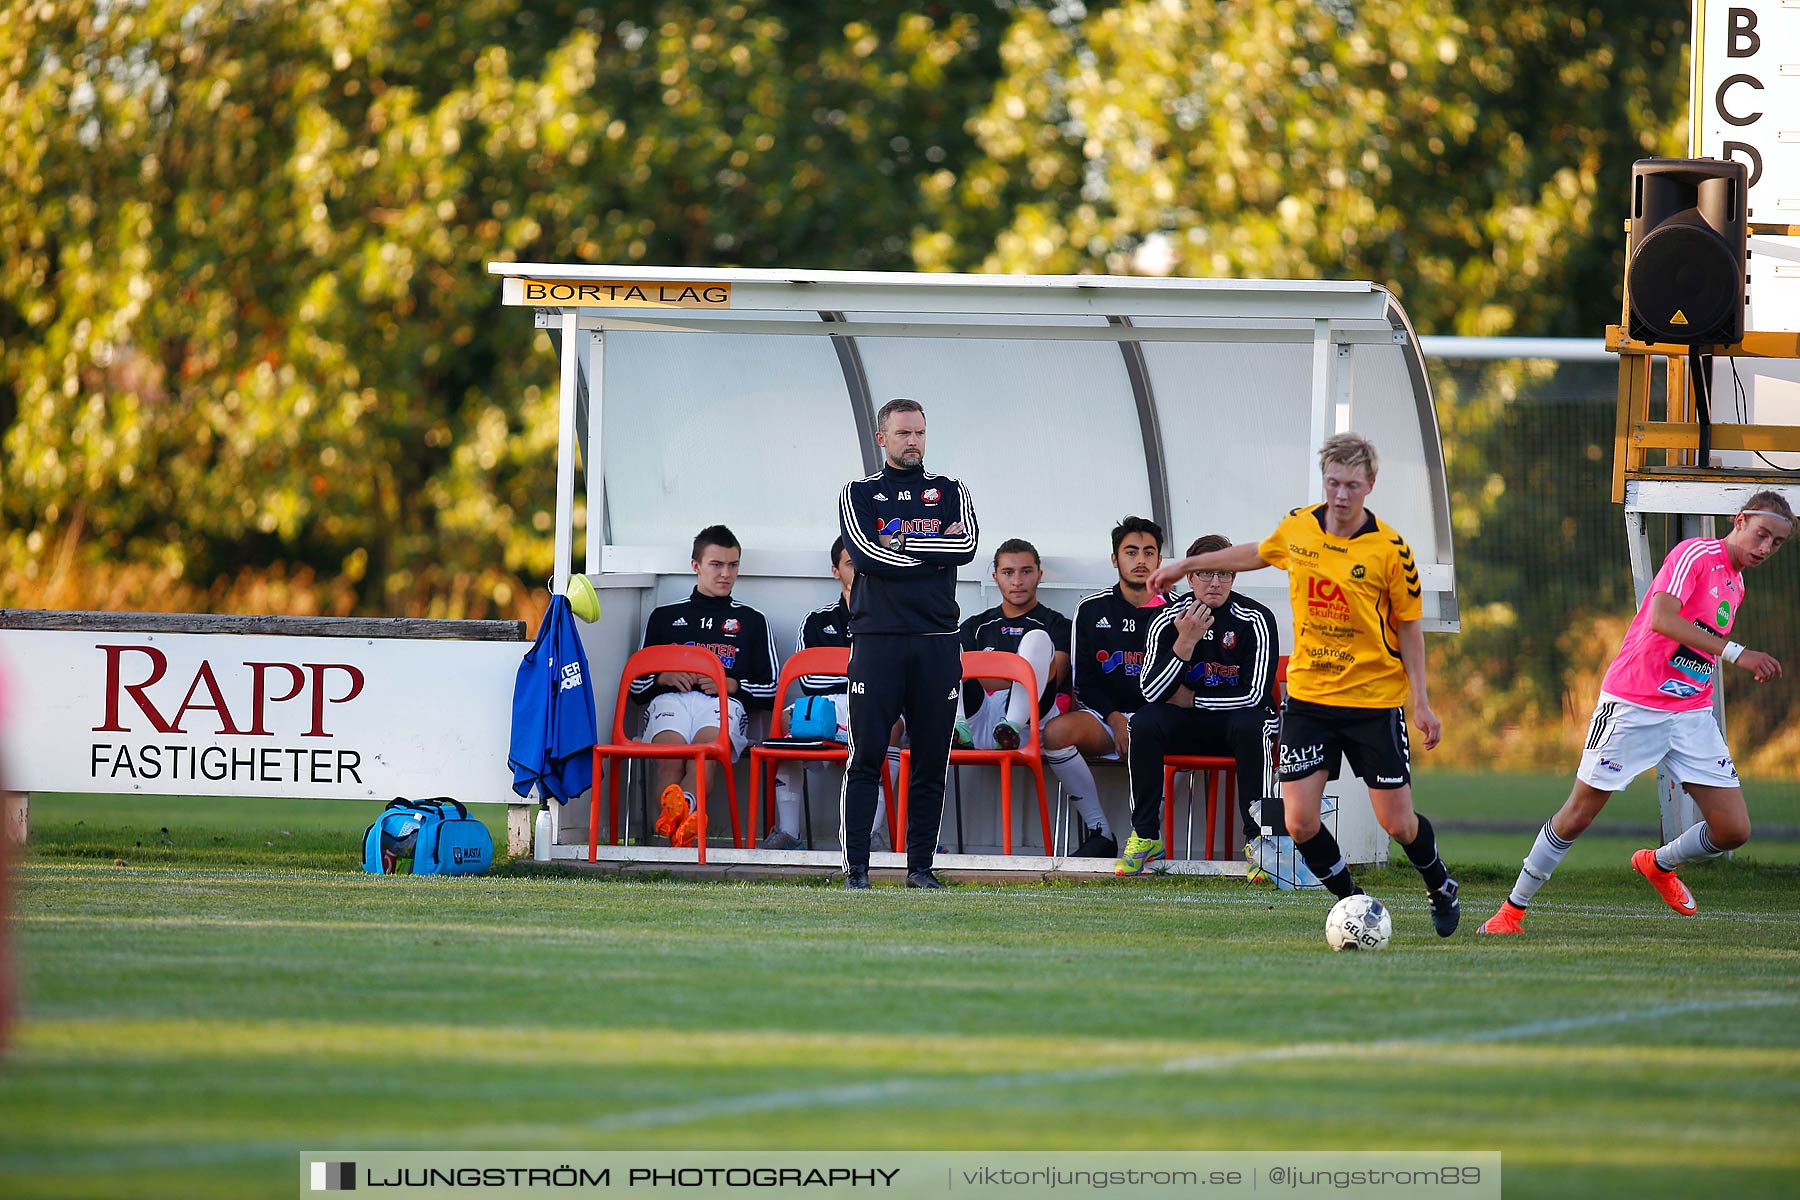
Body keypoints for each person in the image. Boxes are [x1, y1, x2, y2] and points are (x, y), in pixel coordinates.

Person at [1149, 433, 1461, 935]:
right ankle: (1355, 906)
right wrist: (1184, 565)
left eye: (1352, 486)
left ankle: (1440, 883)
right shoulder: (1299, 527)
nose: (1341, 495)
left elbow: (1409, 628)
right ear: (1325, 480)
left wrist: (1419, 701)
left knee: (1398, 825)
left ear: (1370, 486)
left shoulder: (1391, 551)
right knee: (1299, 822)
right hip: (1309, 700)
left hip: (1371, 702)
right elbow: (1257, 552)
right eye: (1334, 483)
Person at [1479, 493, 1791, 935]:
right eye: (1762, 535)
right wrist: (1738, 653)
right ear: (1738, 520)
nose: (1766, 548)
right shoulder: (1694, 554)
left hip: (1691, 714)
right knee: (1578, 815)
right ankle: (1511, 911)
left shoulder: (1737, 584)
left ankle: (1658, 864)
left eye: (1777, 543)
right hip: (1634, 705)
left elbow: (1692, 649)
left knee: (1733, 830)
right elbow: (1663, 618)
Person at [837, 397, 979, 889]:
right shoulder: (858, 492)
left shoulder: (950, 489)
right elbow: (866, 555)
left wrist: (901, 546)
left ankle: (920, 868)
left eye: (919, 433)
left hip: (937, 641)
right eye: (903, 434)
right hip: (878, 641)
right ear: (882, 439)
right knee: (868, 754)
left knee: (931, 758)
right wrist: (932, 548)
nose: (913, 441)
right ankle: (857, 869)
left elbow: (967, 547)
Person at [1118, 534, 1281, 875]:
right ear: (1190, 578)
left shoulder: (1256, 618)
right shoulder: (1166, 620)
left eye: (1224, 573)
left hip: (1237, 725)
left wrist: (1193, 699)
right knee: (1144, 723)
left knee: (1257, 725)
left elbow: (1255, 695)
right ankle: (1146, 836)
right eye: (1206, 573)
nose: (1215, 582)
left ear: (1234, 577)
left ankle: (1265, 843)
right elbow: (1151, 691)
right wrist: (1186, 642)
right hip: (1188, 726)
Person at [954, 538, 1115, 856]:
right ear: (995, 576)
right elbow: (958, 675)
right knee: (944, 640)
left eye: (1026, 571)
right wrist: (1017, 671)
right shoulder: (975, 626)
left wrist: (994, 671)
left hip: (1032, 721)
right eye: (1009, 572)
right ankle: (958, 725)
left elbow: (1054, 672)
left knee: (1036, 642)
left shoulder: (1057, 624)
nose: (1017, 581)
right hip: (978, 721)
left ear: (1040, 574)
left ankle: (1010, 727)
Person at [629, 525, 777, 846]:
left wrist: (731, 684)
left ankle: (683, 824)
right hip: (670, 702)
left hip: (722, 704)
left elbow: (772, 691)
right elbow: (634, 688)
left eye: (733, 565)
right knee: (670, 758)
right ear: (695, 565)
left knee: (705, 754)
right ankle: (677, 838)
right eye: (716, 565)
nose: (726, 574)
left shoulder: (752, 620)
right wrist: (661, 678)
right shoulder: (664, 617)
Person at [1042, 516, 1170, 859]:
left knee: (1150, 734)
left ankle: (1148, 841)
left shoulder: (1179, 610)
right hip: (1106, 718)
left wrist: (1142, 722)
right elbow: (1084, 682)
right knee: (1055, 734)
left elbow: (1182, 680)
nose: (1140, 560)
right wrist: (1114, 717)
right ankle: (1100, 832)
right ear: (1115, 559)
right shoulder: (1091, 608)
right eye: (1131, 552)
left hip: (1160, 720)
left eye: (1148, 552)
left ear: (1160, 560)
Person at [763, 537, 896, 851]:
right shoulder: (817, 621)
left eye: (866, 562)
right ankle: (789, 833)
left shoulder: (894, 617)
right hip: (826, 704)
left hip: (876, 704)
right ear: (836, 570)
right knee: (789, 719)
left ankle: (870, 835)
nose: (861, 570)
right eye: (852, 563)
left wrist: (850, 673)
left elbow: (896, 678)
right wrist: (862, 671)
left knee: (892, 725)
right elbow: (809, 679)